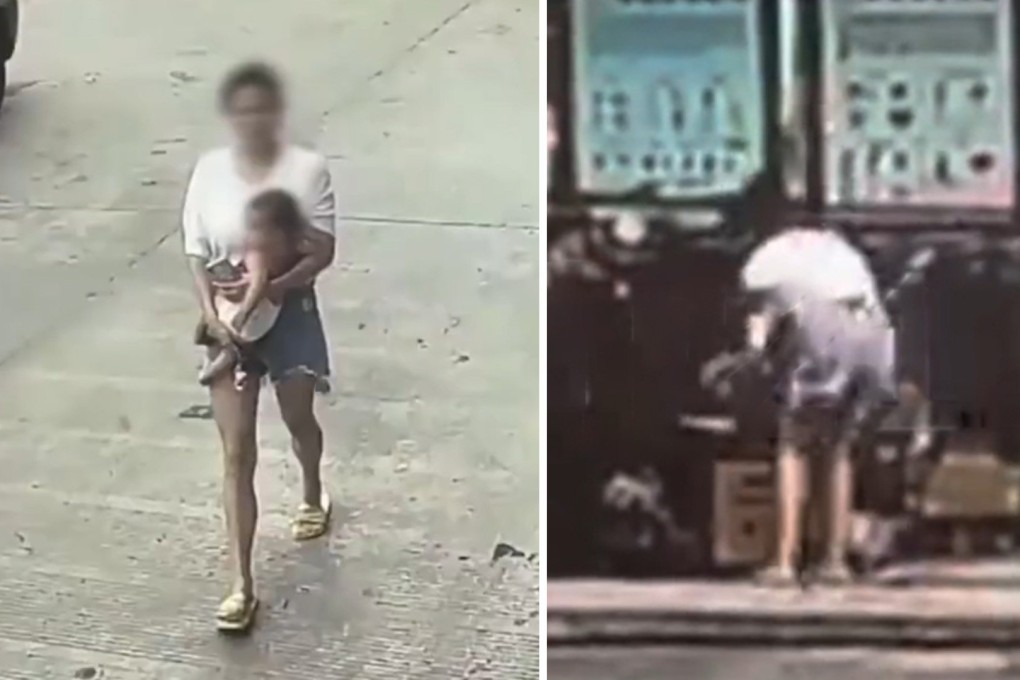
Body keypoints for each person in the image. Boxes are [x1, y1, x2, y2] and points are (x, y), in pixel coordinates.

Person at [182, 61, 337, 631]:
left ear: (277, 113)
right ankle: (241, 584)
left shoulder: (307, 171)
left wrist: (272, 286)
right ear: (231, 116)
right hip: (227, 319)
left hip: (289, 312)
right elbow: (195, 250)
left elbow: (322, 250)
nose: (252, 119)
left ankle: (314, 491)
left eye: (262, 109)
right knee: (236, 452)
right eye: (241, 110)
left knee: (299, 420)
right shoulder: (208, 171)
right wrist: (210, 316)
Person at [741, 223, 894, 587]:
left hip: (823, 329)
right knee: (838, 447)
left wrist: (751, 363)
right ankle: (834, 561)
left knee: (793, 444)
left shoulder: (764, 262)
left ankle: (784, 560)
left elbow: (759, 338)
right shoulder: (836, 250)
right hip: (872, 332)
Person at [194, 189, 305, 388]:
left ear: (277, 233)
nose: (250, 235)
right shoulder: (267, 251)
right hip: (255, 306)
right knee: (218, 314)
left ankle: (229, 356)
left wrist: (245, 310)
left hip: (257, 311)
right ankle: (220, 346)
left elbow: (258, 284)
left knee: (230, 332)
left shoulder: (260, 255)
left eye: (257, 230)